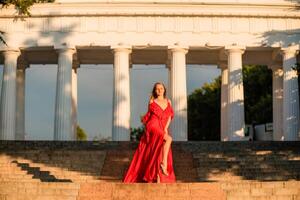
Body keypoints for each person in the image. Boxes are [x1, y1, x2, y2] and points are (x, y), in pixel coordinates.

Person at [122, 82, 176, 183]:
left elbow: (169, 116)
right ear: (155, 91)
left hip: (163, 127)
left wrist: (165, 128)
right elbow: (150, 116)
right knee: (169, 139)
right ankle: (164, 164)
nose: (160, 90)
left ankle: (158, 176)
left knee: (158, 149)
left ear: (164, 90)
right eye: (157, 89)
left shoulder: (168, 101)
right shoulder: (152, 101)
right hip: (153, 125)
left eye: (161, 88)